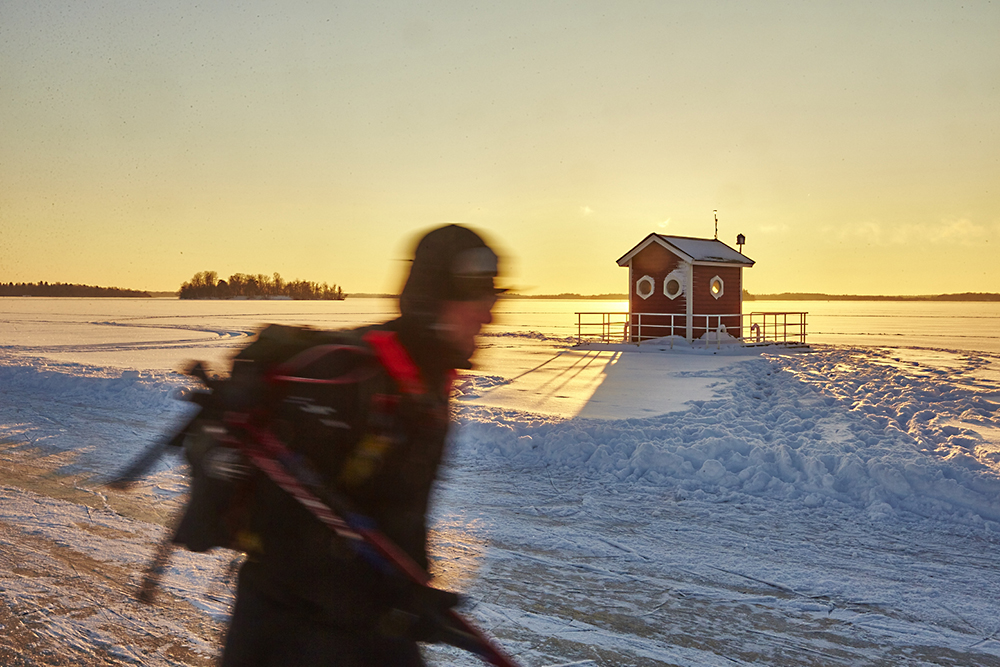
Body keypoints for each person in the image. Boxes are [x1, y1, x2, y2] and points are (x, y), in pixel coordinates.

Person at [218, 224, 502, 667]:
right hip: (288, 637)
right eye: (476, 300)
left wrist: (411, 595)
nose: (490, 316)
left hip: (364, 627)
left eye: (493, 299)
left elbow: (390, 512)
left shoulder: (425, 380)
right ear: (434, 300)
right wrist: (396, 607)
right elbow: (289, 544)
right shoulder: (353, 380)